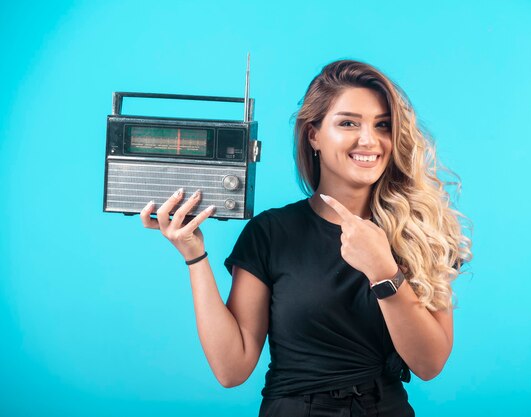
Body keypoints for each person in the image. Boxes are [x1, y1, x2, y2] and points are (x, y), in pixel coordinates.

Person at [139, 59, 472, 417]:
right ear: (313, 134)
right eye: (348, 123)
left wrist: (383, 271)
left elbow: (430, 363)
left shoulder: (420, 231)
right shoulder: (270, 233)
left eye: (383, 126)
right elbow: (231, 369)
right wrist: (194, 255)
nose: (368, 139)